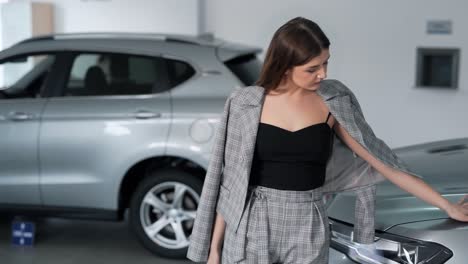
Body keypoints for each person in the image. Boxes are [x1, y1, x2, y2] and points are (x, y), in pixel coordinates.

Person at [187, 17, 468, 264]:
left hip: (308, 221)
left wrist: (447, 206)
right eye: (312, 68)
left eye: (325, 63)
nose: (323, 74)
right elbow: (231, 182)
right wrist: (215, 249)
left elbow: (382, 162)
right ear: (285, 66)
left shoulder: (333, 101)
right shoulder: (245, 104)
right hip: (253, 220)